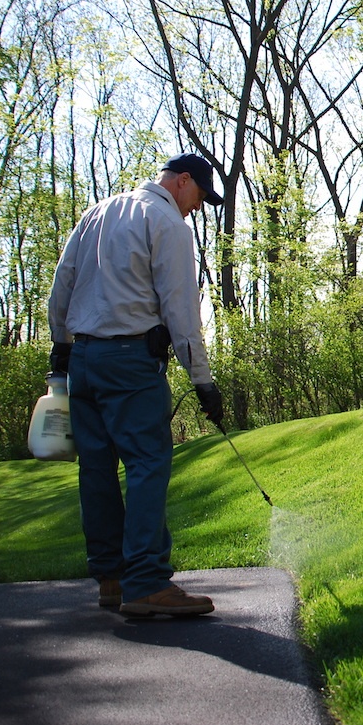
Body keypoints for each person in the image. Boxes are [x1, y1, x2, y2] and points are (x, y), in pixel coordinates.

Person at [47, 152, 226, 617]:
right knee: (148, 461)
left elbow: (62, 284)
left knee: (97, 467)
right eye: (201, 196)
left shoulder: (98, 212)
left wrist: (61, 345)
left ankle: (110, 578)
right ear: (182, 181)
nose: (199, 207)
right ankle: (145, 582)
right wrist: (204, 383)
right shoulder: (166, 223)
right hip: (129, 360)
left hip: (83, 359)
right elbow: (181, 312)